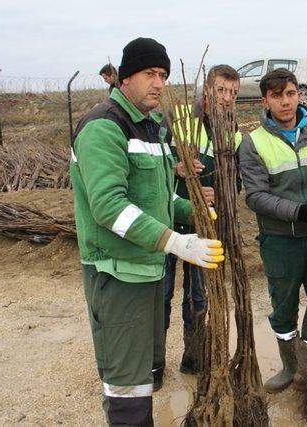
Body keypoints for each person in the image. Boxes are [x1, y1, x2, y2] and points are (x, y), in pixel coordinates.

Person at [70, 37, 224, 426]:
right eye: (149, 73)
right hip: (117, 271)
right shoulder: (104, 127)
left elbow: (159, 200)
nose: (159, 83)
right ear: (125, 78)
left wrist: (197, 212)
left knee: (143, 376)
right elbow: (108, 207)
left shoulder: (150, 128)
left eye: (164, 75)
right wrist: (175, 241)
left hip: (146, 269)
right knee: (128, 386)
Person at [239, 68, 307, 393]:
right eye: (277, 95)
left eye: (290, 93)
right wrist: (300, 211)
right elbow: (256, 196)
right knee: (283, 306)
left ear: (299, 95)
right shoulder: (254, 142)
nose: (285, 101)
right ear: (266, 100)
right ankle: (290, 366)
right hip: (280, 241)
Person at [163, 64, 241, 374]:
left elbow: (235, 180)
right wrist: (175, 168)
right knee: (161, 291)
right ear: (207, 90)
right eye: (221, 90)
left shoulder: (232, 129)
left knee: (197, 295)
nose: (226, 97)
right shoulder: (180, 120)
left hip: (204, 224)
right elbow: (151, 160)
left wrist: (220, 194)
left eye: (233, 93)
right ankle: (155, 365)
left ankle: (192, 359)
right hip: (168, 219)